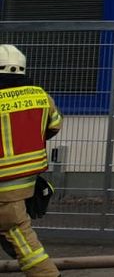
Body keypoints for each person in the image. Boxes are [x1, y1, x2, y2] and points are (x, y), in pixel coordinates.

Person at [0, 45, 62, 277]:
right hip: (25, 183)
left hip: (4, 185)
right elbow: (54, 125)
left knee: (22, 241)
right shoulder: (40, 96)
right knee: (16, 232)